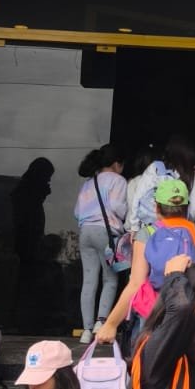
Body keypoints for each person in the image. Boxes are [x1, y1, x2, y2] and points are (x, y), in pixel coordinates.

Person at [95, 177, 195, 346]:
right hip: (190, 308)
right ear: (187, 207)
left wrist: (111, 324)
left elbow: (136, 284)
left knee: (151, 356)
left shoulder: (147, 233)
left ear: (156, 207)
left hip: (154, 310)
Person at [74, 143, 128, 343]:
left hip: (85, 232)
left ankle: (86, 330)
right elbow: (117, 206)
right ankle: (101, 321)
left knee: (89, 281)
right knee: (110, 279)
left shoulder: (89, 183)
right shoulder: (118, 180)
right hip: (106, 232)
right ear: (116, 164)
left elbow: (77, 211)